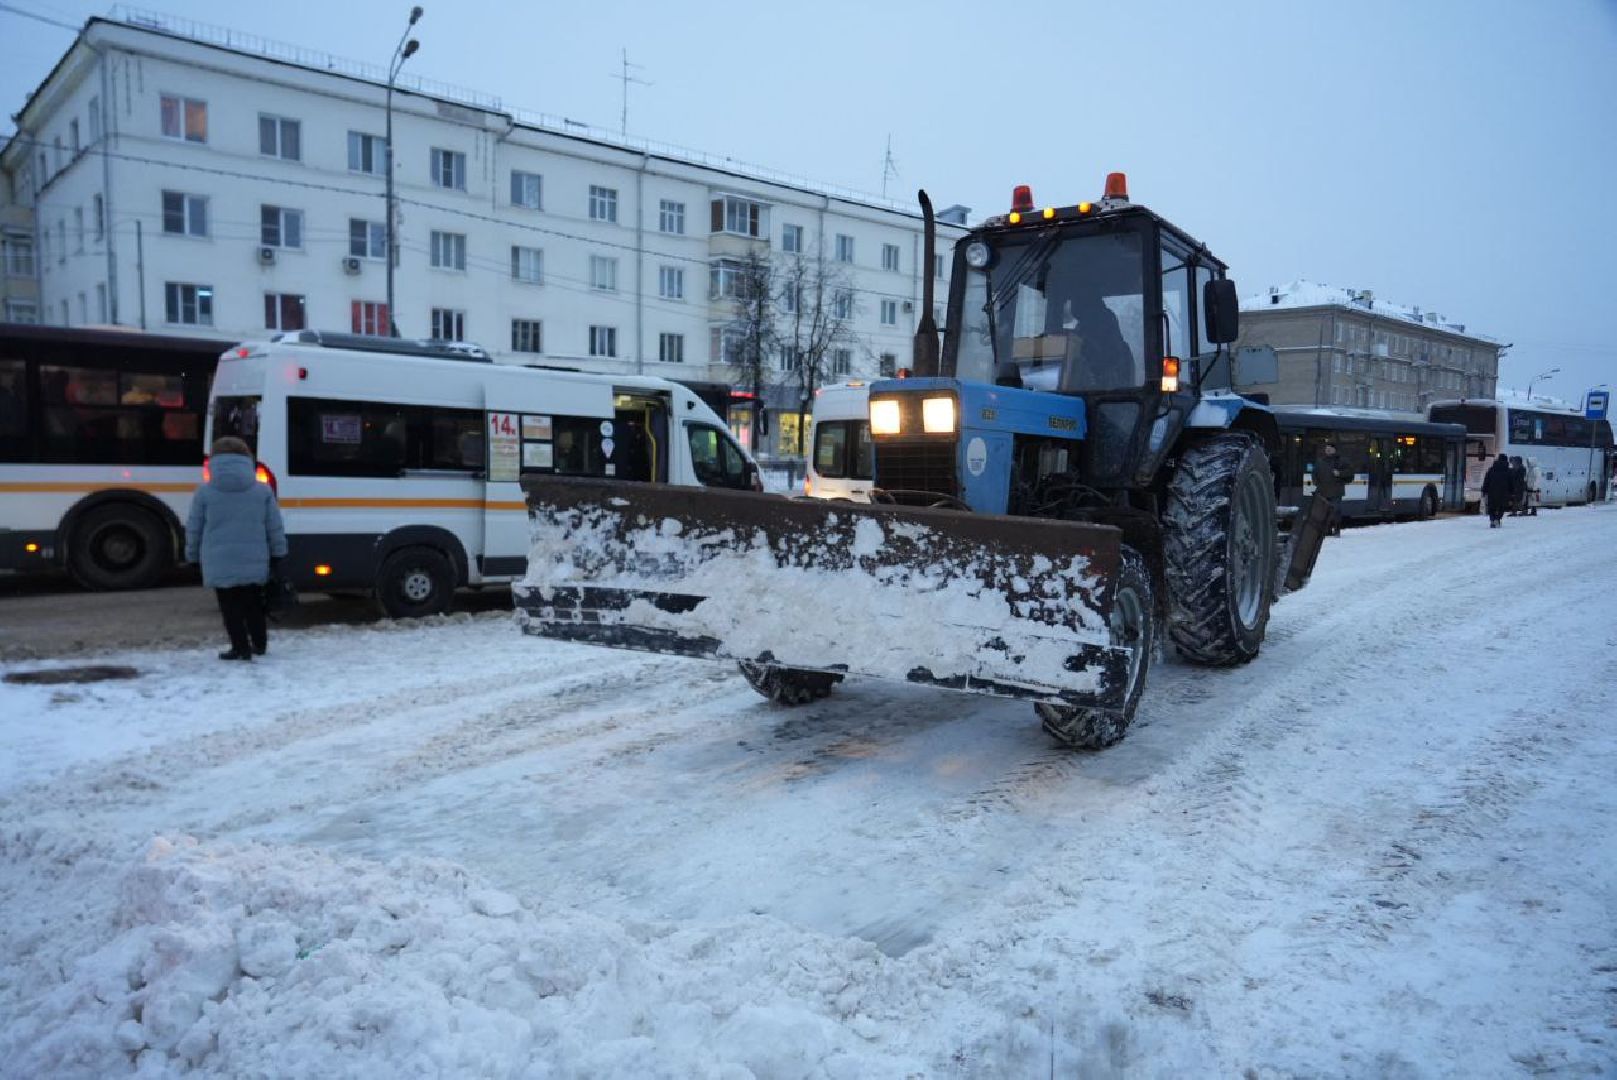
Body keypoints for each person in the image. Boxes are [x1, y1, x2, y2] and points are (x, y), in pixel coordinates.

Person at [185, 437, 288, 661]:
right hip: (254, 556)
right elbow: (274, 526)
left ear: (214, 462)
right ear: (247, 460)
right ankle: (259, 645)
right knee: (253, 602)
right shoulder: (262, 491)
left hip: (219, 558)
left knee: (229, 605)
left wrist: (192, 556)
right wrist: (278, 553)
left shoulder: (204, 492)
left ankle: (239, 647)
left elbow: (195, 528)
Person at [1310, 440, 1354, 537]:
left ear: (1334, 450)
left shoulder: (1341, 461)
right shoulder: (1320, 461)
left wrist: (1340, 474)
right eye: (1327, 448)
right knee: (1324, 512)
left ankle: (1336, 530)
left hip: (1336, 491)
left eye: (1330, 448)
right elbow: (1314, 474)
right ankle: (1327, 530)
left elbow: (1350, 473)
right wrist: (1317, 484)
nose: (1328, 450)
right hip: (1323, 491)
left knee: (1336, 511)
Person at [1481, 452, 1513, 528]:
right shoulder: (1508, 470)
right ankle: (1497, 519)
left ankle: (1492, 520)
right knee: (1502, 507)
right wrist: (1512, 492)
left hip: (1492, 491)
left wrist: (1484, 490)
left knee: (1491, 507)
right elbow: (1511, 483)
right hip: (1504, 492)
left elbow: (1486, 481)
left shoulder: (1491, 469)